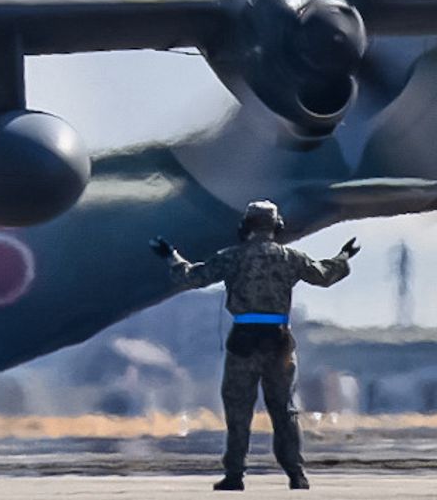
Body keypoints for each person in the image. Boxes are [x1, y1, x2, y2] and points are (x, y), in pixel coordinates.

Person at [151, 201, 358, 491]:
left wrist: (171, 256)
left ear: (246, 226)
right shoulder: (290, 257)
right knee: (284, 411)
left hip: (244, 343)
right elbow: (323, 275)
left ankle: (235, 476)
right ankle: (296, 474)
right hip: (279, 343)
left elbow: (193, 278)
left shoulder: (232, 257)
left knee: (238, 412)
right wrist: (343, 256)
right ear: (277, 226)